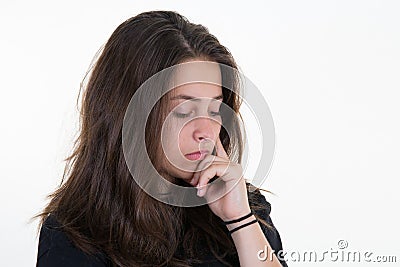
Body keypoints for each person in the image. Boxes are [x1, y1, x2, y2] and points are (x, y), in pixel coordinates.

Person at [33, 10, 288, 267]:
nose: (205, 130)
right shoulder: (74, 234)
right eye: (184, 112)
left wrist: (240, 220)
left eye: (214, 110)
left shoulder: (243, 205)